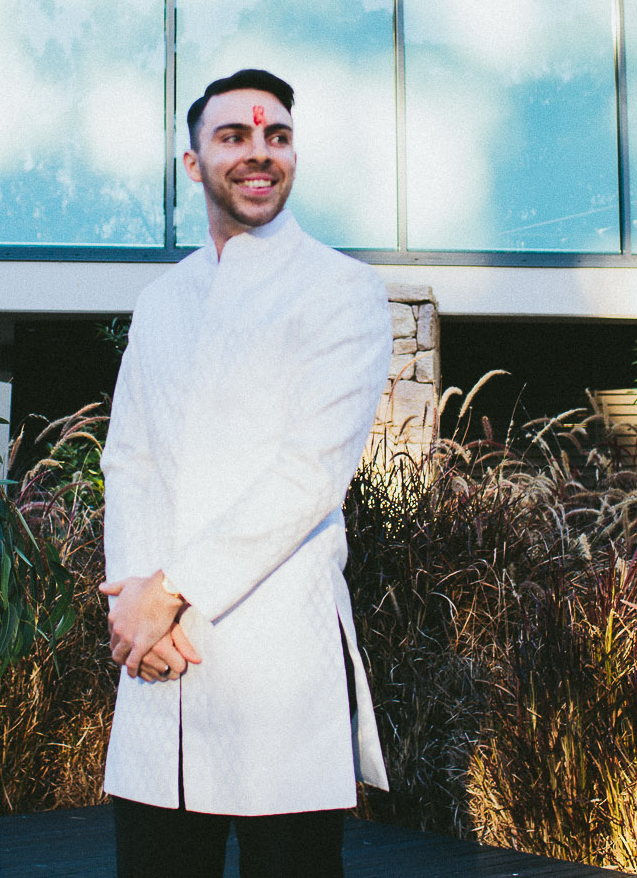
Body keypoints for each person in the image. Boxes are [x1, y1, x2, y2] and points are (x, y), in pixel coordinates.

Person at [99, 68, 393, 878]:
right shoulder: (161, 302)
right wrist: (133, 601)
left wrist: (170, 590)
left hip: (277, 660)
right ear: (194, 162)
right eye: (234, 136)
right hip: (161, 661)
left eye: (277, 136)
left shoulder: (344, 290)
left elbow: (308, 477)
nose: (259, 154)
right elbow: (127, 459)